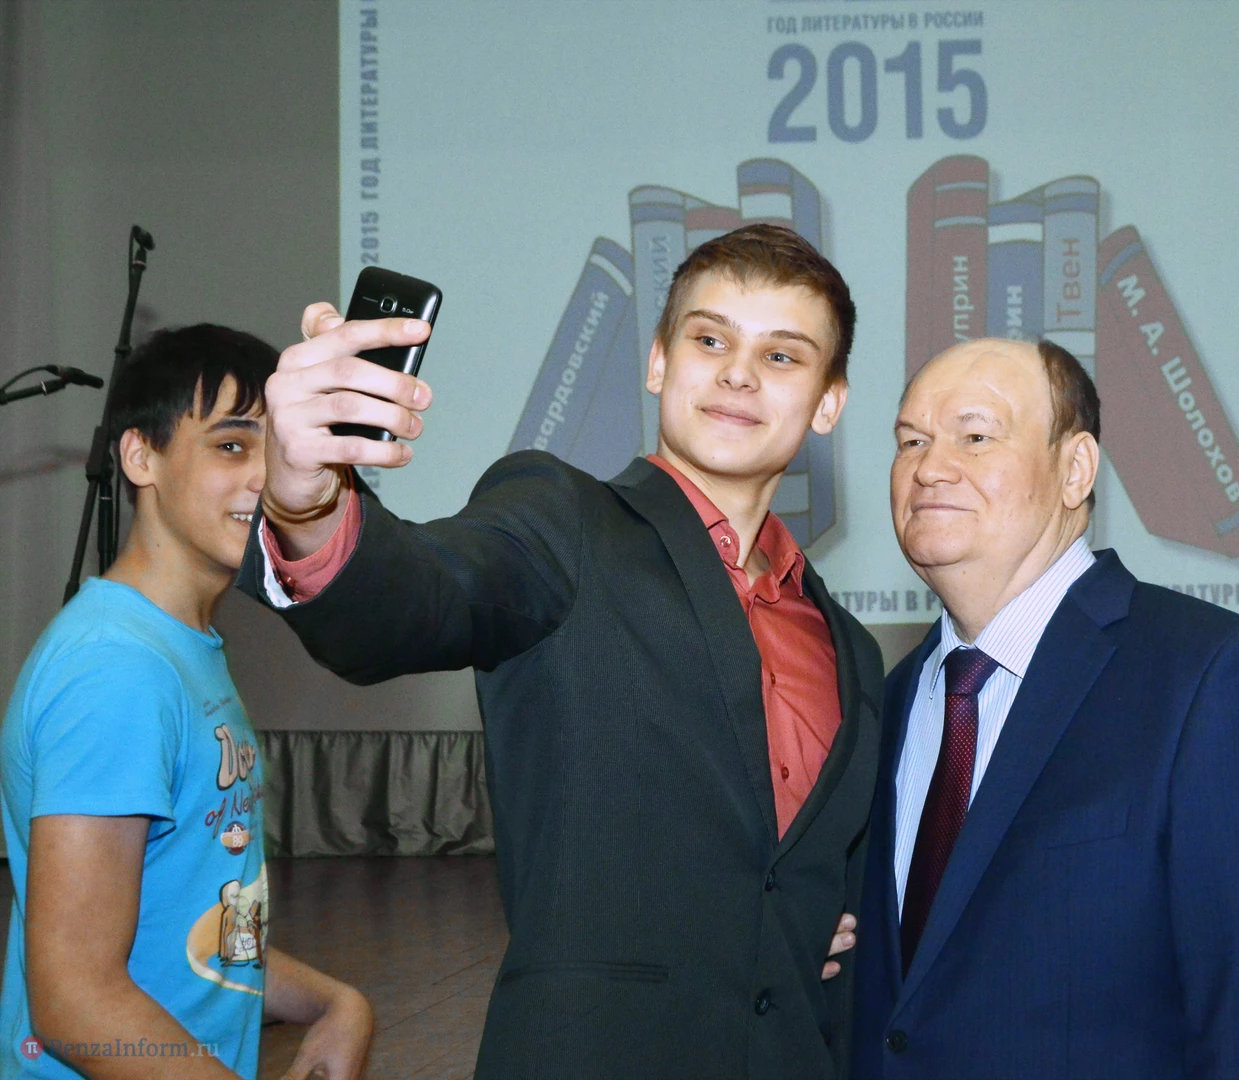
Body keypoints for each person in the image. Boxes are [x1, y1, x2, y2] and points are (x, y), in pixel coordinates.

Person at [243, 225, 883, 1078]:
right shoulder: (560, 520)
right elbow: (418, 597)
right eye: (709, 340)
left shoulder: (848, 648)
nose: (738, 373)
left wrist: (803, 925)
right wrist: (308, 504)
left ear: (828, 402)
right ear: (657, 362)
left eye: (781, 355)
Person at [851, 338, 1239, 1079]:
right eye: (910, 441)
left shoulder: (1212, 677)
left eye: (975, 437)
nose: (930, 467)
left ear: (1075, 470)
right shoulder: (882, 705)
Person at [0, 325, 374, 1079]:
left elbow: (186, 936)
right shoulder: (116, 670)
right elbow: (74, 1001)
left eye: (277, 449)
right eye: (231, 446)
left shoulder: (175, 648)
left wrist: (335, 1002)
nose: (264, 477)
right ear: (140, 456)